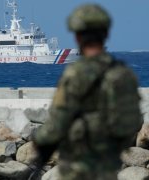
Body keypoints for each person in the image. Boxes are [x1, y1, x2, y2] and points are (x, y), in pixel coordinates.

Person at [33, 4, 143, 180]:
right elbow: (134, 121)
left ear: (77, 37)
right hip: (109, 167)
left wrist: (38, 139)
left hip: (77, 170)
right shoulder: (125, 74)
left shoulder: (75, 74)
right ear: (106, 34)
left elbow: (57, 123)